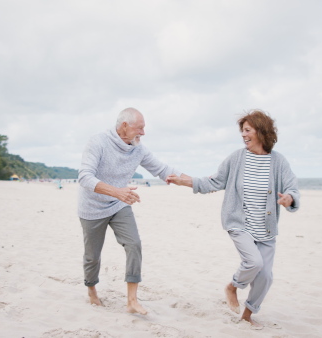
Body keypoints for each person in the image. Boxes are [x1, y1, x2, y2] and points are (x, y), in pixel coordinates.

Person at [166, 110, 300, 327]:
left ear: (261, 131)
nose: (243, 135)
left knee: (265, 276)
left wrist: (289, 199)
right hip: (240, 223)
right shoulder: (236, 158)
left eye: (247, 130)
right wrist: (185, 182)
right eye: (242, 131)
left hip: (266, 229)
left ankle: (247, 315)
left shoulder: (278, 162)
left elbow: (292, 188)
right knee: (253, 262)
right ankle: (232, 286)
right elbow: (215, 181)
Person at [77, 107, 185, 315]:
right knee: (92, 256)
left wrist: (199, 182)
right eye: (140, 128)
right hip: (92, 207)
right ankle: (91, 290)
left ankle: (132, 301)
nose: (143, 133)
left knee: (134, 244)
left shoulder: (138, 149)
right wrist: (117, 192)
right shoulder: (97, 142)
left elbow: (163, 170)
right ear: (124, 126)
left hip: (119, 204)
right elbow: (84, 177)